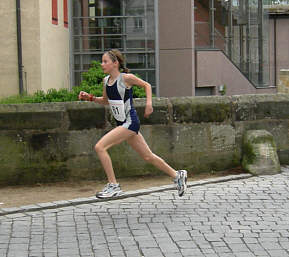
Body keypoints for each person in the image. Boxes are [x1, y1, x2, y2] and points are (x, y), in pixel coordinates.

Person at [78, 49, 187, 198]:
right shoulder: (106, 81)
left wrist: (149, 104)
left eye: (105, 61)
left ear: (115, 63)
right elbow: (105, 101)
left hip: (130, 123)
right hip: (122, 124)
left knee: (100, 147)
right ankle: (177, 175)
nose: (102, 64)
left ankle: (113, 185)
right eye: (102, 61)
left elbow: (147, 85)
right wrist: (90, 98)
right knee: (148, 156)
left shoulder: (126, 78)